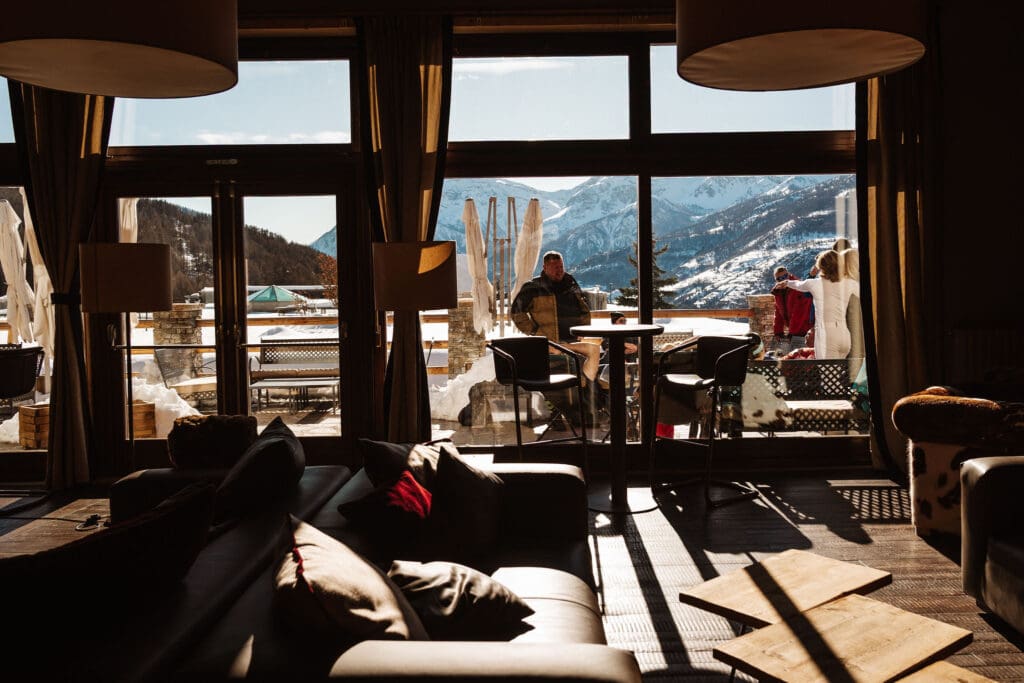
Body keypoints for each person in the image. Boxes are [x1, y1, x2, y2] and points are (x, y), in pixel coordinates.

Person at [510, 251, 601, 381]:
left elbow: (583, 307)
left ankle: (587, 389)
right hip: (550, 344)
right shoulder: (533, 287)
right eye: (554, 268)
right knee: (565, 358)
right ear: (545, 268)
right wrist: (534, 331)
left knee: (594, 350)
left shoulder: (570, 282)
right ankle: (582, 389)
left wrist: (584, 328)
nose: (559, 271)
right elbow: (516, 312)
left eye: (561, 267)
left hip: (573, 342)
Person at [775, 249, 855, 359]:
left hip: (827, 336)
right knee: (841, 373)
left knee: (828, 374)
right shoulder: (849, 283)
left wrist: (786, 283)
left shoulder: (814, 284)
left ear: (820, 266)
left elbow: (799, 285)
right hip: (844, 335)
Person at [770, 265, 813, 356]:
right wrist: (778, 332)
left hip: (805, 330)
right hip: (795, 331)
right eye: (779, 278)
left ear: (789, 275)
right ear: (776, 280)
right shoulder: (778, 293)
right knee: (791, 357)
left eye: (785, 276)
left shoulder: (799, 288)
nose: (783, 280)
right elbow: (778, 313)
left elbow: (799, 313)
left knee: (803, 358)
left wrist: (792, 333)